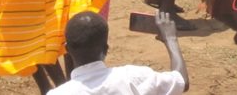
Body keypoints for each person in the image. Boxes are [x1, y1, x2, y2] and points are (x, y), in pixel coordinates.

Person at [46, 10, 188, 94]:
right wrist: (170, 39)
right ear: (106, 49)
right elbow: (181, 80)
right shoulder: (133, 77)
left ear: (66, 49)